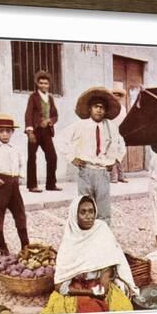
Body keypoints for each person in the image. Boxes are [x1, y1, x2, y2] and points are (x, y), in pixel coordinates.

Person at [41, 196, 138, 314]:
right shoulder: (70, 240)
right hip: (76, 288)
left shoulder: (101, 230)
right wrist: (89, 293)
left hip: (100, 283)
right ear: (75, 216)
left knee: (122, 310)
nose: (89, 216)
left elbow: (108, 265)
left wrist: (102, 289)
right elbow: (59, 285)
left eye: (91, 211)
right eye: (83, 212)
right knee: (83, 309)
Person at [61, 87, 126, 225]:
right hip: (86, 171)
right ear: (90, 109)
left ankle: (103, 238)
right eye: (96, 107)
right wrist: (72, 158)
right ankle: (86, 237)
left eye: (102, 108)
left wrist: (114, 160)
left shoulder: (111, 127)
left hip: (102, 172)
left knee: (103, 209)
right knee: (85, 207)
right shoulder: (80, 125)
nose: (99, 110)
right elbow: (62, 139)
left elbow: (121, 144)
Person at [0, 113, 29, 256]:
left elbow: (22, 164)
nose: (4, 134)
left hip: (14, 185)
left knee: (20, 215)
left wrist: (19, 177)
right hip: (0, 186)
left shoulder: (15, 149)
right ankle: (3, 250)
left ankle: (25, 246)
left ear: (12, 132)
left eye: (7, 131)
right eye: (1, 131)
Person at [24, 70, 62, 193]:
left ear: (49, 84)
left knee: (52, 157)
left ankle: (51, 184)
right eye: (41, 83)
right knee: (32, 157)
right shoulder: (33, 97)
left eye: (46, 83)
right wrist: (30, 132)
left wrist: (50, 121)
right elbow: (28, 114)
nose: (43, 85)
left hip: (46, 132)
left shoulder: (50, 98)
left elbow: (55, 114)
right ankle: (32, 185)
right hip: (34, 131)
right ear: (37, 84)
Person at [110, 85, 129, 183]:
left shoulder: (123, 108)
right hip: (110, 133)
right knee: (112, 154)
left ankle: (121, 176)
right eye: (114, 95)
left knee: (121, 153)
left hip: (120, 133)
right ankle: (113, 177)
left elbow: (124, 121)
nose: (116, 97)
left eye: (119, 95)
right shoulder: (109, 108)